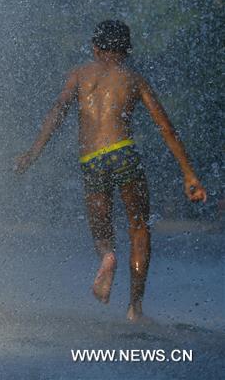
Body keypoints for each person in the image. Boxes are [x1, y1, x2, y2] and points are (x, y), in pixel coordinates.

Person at [15, 20, 207, 321]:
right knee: (138, 228)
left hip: (91, 159)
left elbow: (57, 112)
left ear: (94, 48)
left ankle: (106, 255)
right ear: (127, 51)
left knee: (101, 228)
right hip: (123, 153)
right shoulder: (134, 79)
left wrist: (33, 152)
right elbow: (165, 127)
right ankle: (135, 308)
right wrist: (188, 172)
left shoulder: (79, 75)